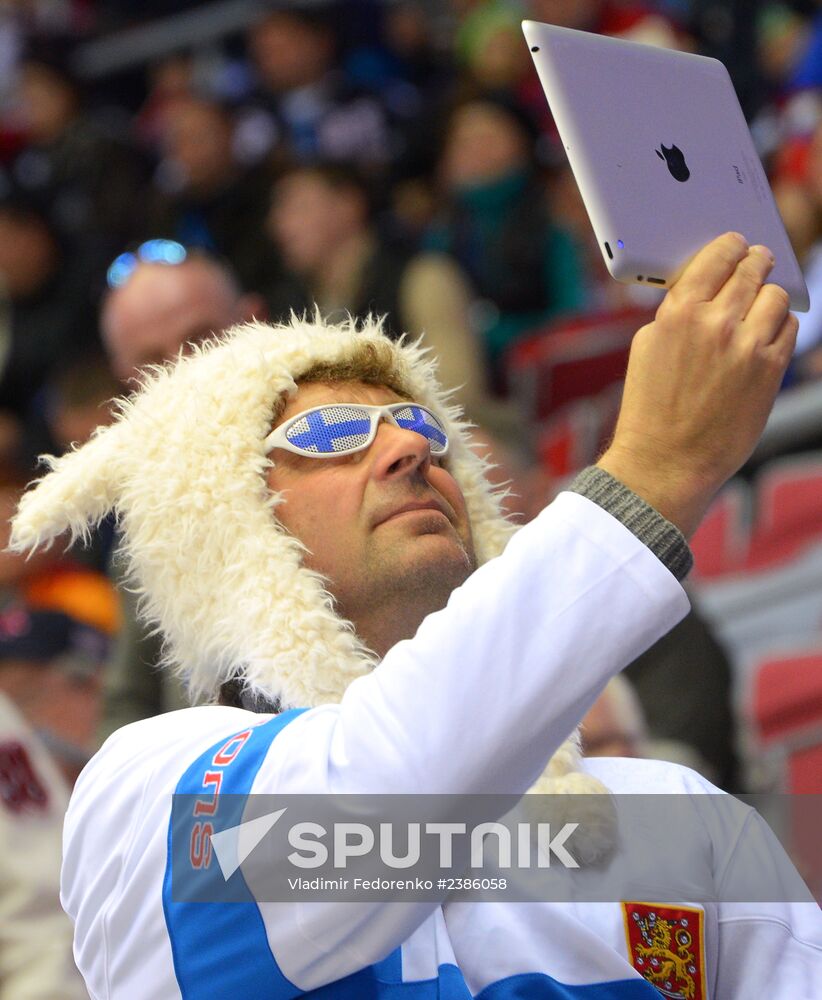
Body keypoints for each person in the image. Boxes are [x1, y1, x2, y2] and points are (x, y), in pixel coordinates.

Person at [10, 234, 820, 996]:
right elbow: (377, 794)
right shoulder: (144, 792)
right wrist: (653, 471)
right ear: (229, 520)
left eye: (422, 425)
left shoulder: (677, 815)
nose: (408, 450)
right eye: (331, 432)